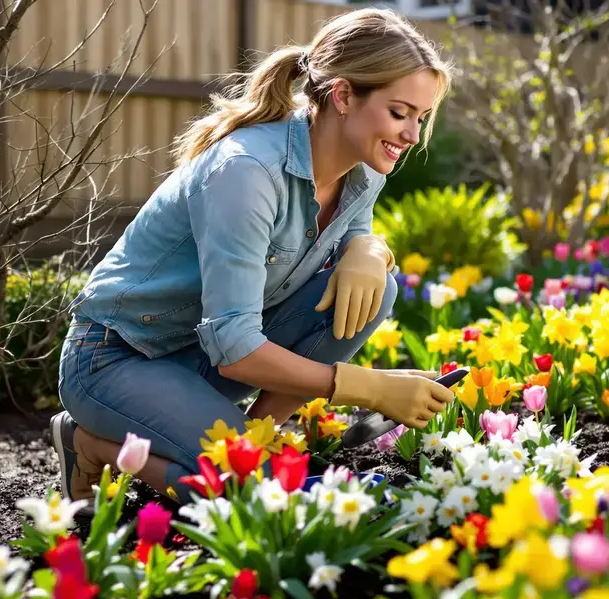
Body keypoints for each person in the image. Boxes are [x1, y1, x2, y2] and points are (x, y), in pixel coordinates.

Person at [51, 8, 456, 505]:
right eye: (399, 113)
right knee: (252, 492)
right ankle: (87, 441)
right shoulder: (246, 172)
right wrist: (368, 388)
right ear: (345, 95)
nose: (412, 135)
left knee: (377, 289)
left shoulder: (365, 169)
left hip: (202, 359)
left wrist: (367, 248)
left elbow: (356, 236)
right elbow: (236, 344)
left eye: (421, 117)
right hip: (117, 359)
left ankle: (250, 440)